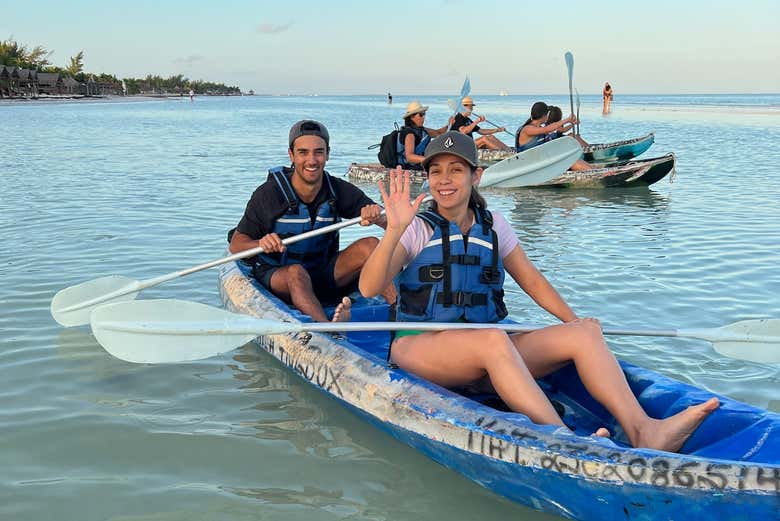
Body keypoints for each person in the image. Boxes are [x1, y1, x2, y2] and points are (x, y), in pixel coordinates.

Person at [358, 131, 719, 452]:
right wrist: (394, 229)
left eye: (456, 169)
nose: (444, 179)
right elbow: (369, 286)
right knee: (495, 342)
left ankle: (644, 431)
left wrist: (573, 323)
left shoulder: (494, 225)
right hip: (422, 347)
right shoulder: (417, 227)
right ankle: (565, 441)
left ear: (476, 175)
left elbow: (532, 281)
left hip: (480, 348)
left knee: (584, 334)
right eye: (436, 171)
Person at [229, 120, 395, 323]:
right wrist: (260, 244)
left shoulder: (338, 190)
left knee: (371, 245)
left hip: (322, 273)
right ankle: (329, 334)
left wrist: (378, 215)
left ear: (327, 154)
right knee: (296, 274)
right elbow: (237, 245)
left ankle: (402, 314)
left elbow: (394, 225)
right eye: (303, 152)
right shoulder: (269, 195)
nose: (312, 160)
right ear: (291, 155)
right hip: (281, 276)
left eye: (318, 152)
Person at [515, 101, 591, 171]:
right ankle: (594, 172)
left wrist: (571, 123)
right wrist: (567, 120)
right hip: (530, 165)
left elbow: (551, 131)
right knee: (570, 161)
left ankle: (595, 169)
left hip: (541, 162)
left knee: (571, 158)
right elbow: (547, 129)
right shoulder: (528, 129)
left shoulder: (538, 127)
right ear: (544, 115)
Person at [398, 100, 453, 170]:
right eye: (420, 115)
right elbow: (409, 157)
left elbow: (439, 133)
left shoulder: (422, 130)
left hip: (419, 165)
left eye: (424, 114)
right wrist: (428, 159)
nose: (423, 117)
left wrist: (450, 124)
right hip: (409, 168)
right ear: (412, 117)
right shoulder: (409, 134)